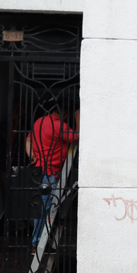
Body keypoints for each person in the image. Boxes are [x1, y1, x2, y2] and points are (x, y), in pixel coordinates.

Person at [27, 103, 79, 247]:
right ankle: (37, 242)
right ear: (65, 114)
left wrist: (31, 154)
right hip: (50, 172)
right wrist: (78, 118)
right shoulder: (58, 125)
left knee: (40, 206)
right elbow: (75, 137)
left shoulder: (40, 122)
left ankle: (38, 240)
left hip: (38, 171)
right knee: (45, 208)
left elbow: (28, 139)